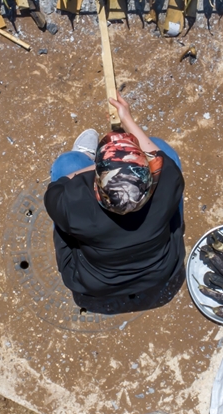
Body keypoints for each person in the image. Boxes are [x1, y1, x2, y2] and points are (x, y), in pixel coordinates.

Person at [44, 93, 185, 299]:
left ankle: (85, 155)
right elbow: (159, 157)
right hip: (159, 270)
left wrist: (98, 167)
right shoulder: (168, 180)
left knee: (67, 163)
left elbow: (57, 187)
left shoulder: (74, 204)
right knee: (161, 148)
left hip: (97, 281)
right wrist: (127, 119)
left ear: (97, 186)